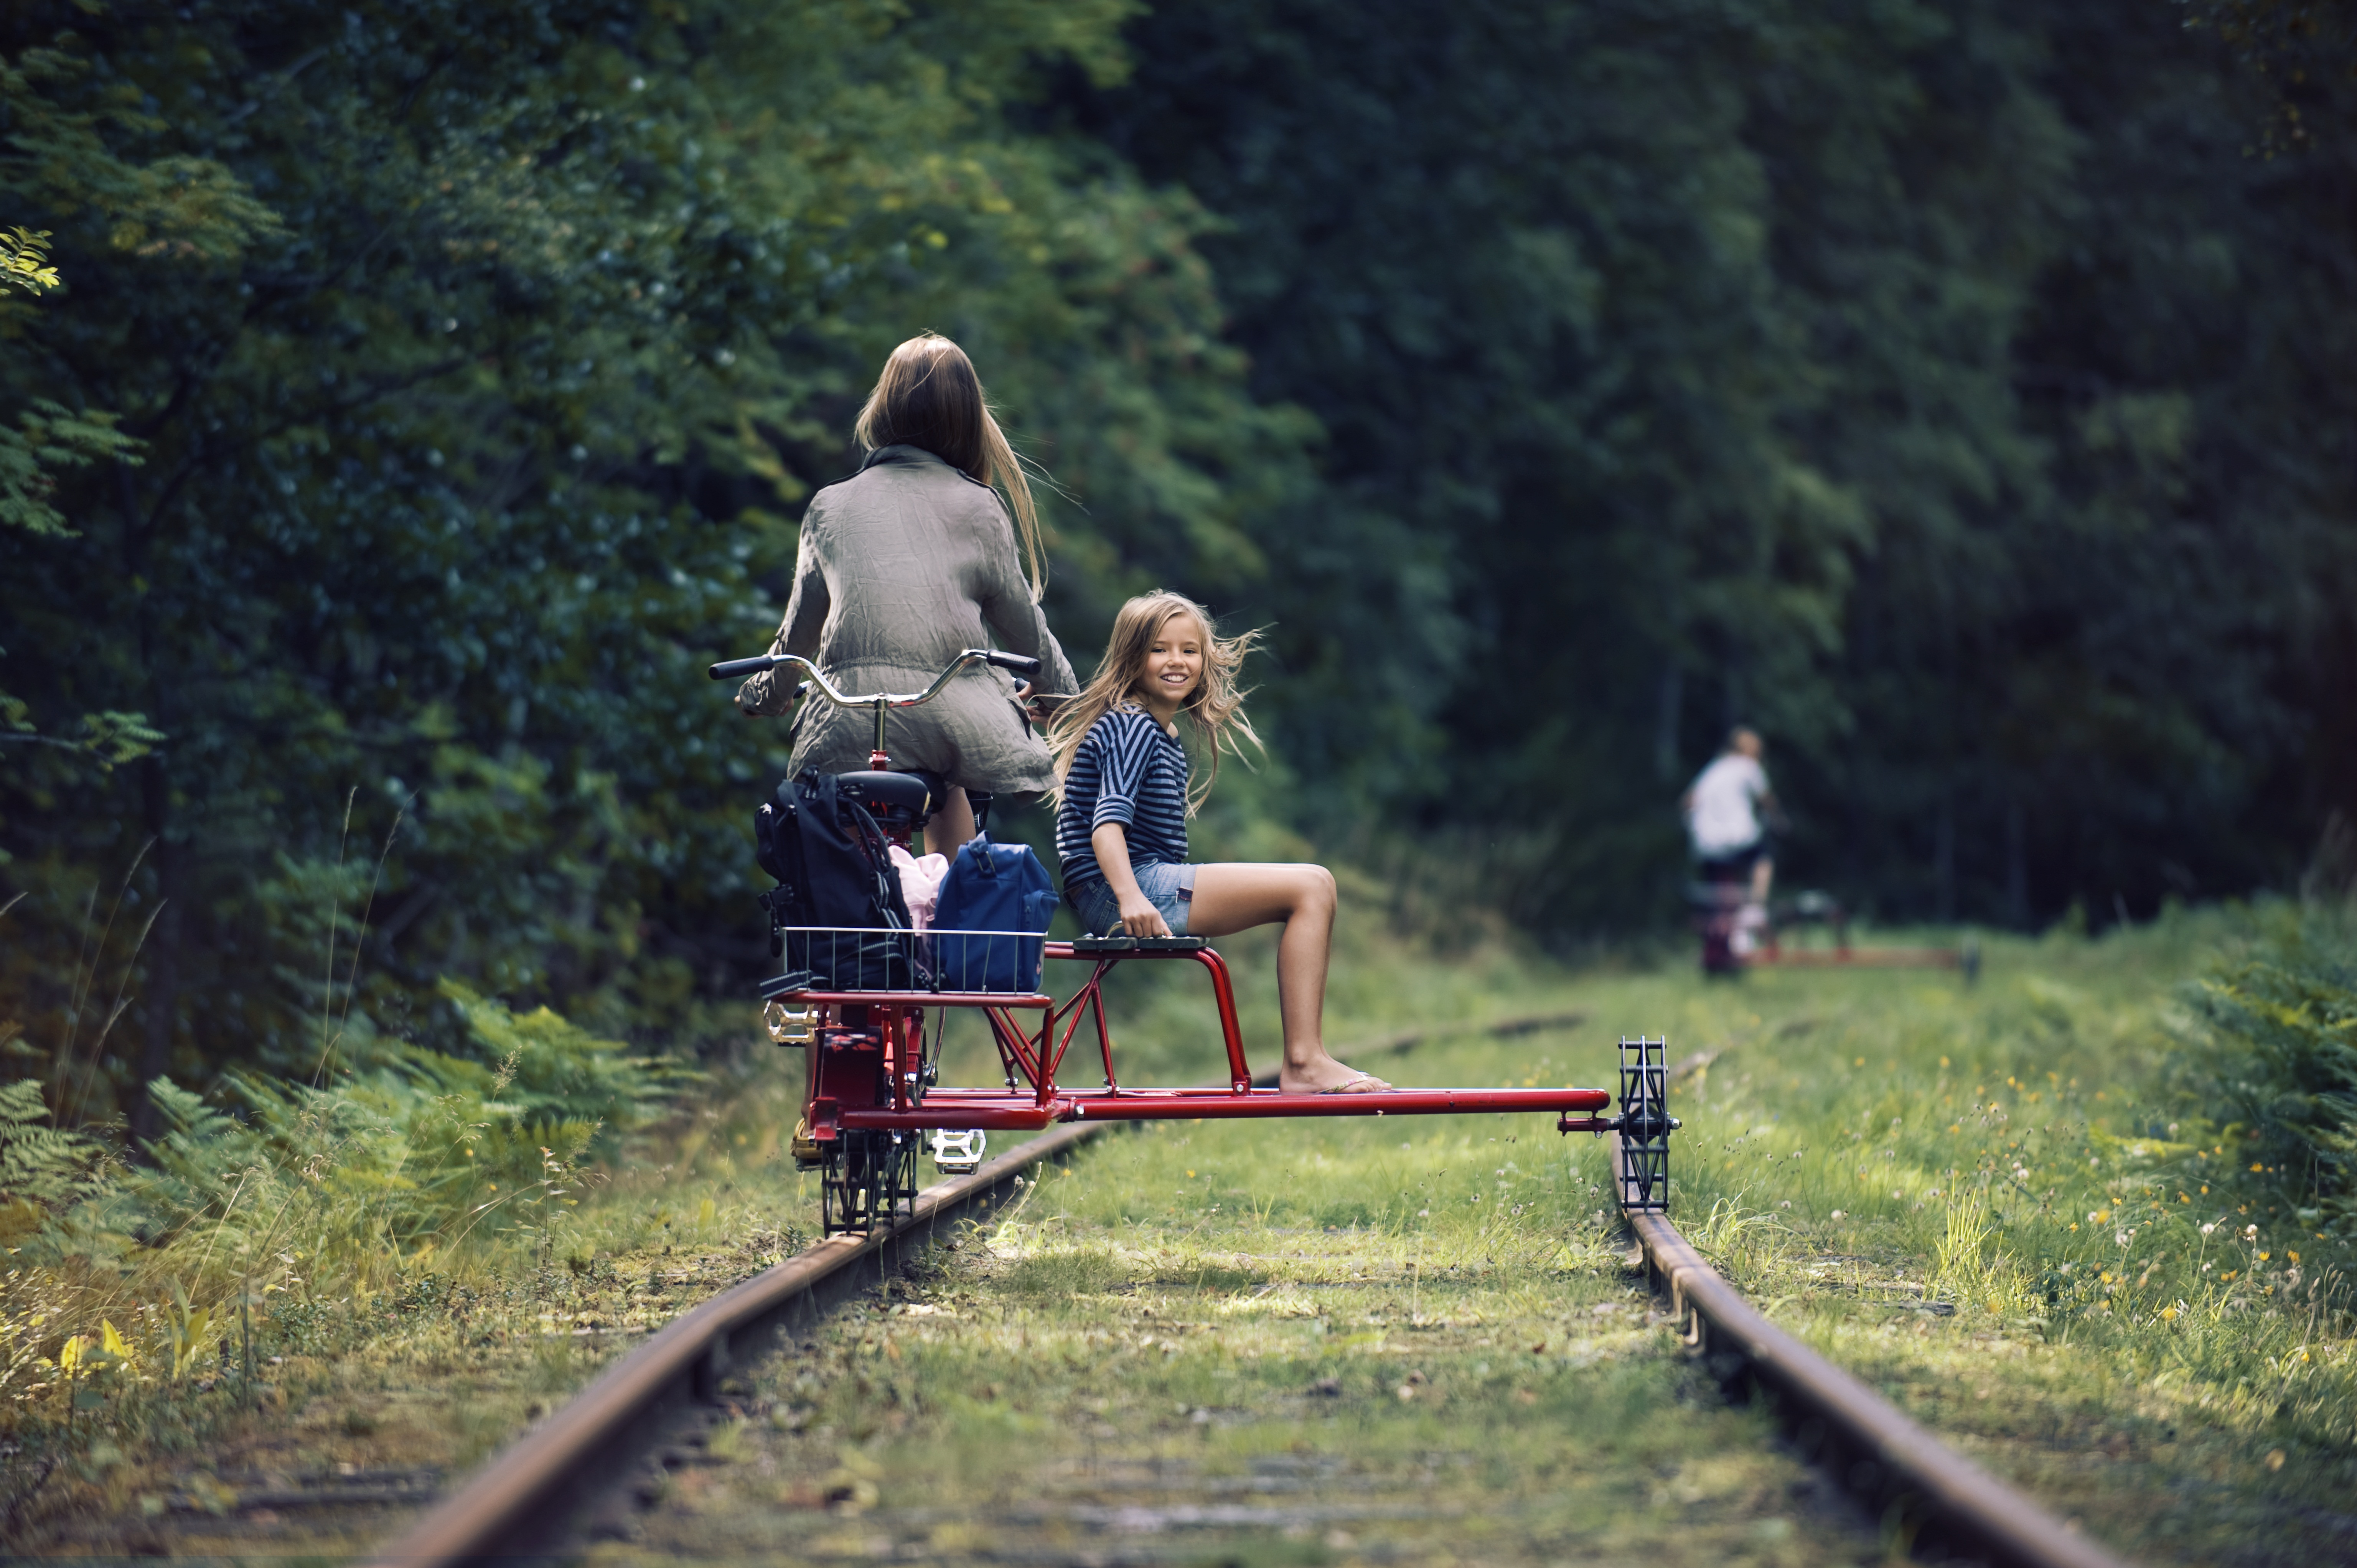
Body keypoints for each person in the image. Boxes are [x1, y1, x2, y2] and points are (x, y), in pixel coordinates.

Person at [734, 333, 1079, 850]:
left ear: (885, 408)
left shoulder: (830, 506)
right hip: (950, 717)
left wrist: (765, 696)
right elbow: (1024, 627)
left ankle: (861, 909)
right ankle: (950, 912)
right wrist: (1062, 697)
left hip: (846, 718)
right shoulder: (979, 507)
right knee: (952, 774)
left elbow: (797, 637)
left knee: (840, 844)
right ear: (966, 418)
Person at [1047, 591, 1388, 1095]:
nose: (1176, 662)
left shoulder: (1150, 729)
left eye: (1189, 650)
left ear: (1205, 661)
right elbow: (1106, 826)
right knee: (1312, 887)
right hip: (1120, 887)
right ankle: (1305, 1062)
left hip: (1126, 883)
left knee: (1315, 885)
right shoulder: (1133, 727)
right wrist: (1130, 897)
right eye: (1159, 649)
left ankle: (1306, 1059)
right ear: (1132, 657)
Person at [1683, 726, 1781, 934]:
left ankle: (1728, 933)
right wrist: (1778, 820)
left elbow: (1689, 801)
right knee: (1763, 859)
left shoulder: (1713, 769)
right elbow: (1766, 799)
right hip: (1736, 840)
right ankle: (1755, 910)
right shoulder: (1749, 767)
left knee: (1724, 889)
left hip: (1705, 844)